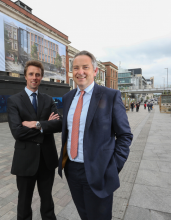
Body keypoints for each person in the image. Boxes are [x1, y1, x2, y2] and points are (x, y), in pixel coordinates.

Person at [58, 51, 133, 220]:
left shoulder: (110, 96)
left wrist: (113, 166)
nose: (80, 72)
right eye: (76, 68)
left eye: (85, 67)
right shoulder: (68, 97)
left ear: (95, 71)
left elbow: (125, 135)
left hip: (99, 171)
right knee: (84, 215)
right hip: (72, 170)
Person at [7, 60, 62, 220]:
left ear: (41, 77)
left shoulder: (48, 99)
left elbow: (59, 124)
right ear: (25, 76)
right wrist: (45, 126)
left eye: (38, 74)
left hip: (47, 160)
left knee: (47, 202)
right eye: (31, 74)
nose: (34, 77)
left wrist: (36, 124)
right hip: (25, 162)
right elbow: (17, 132)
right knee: (24, 203)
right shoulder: (14, 101)